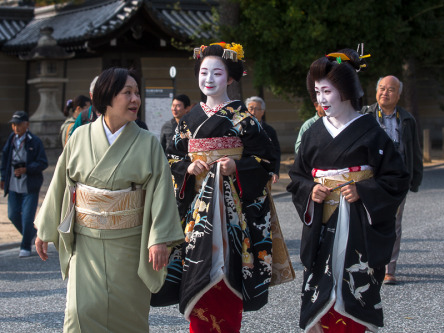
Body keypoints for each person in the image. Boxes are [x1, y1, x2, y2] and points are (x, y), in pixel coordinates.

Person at [34, 67, 185, 332]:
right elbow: (60, 182)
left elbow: (162, 190)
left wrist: (159, 237)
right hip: (86, 244)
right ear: (107, 97)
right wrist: (45, 229)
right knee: (79, 314)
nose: (135, 99)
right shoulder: (80, 137)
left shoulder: (147, 142)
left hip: (129, 244)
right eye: (127, 93)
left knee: (128, 316)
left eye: (137, 93)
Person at [287, 49, 409, 332]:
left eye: (327, 91)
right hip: (323, 225)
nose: (321, 99)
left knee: (354, 288)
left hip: (358, 226)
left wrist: (364, 191)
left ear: (347, 90)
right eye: (317, 91)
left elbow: (397, 177)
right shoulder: (313, 133)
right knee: (320, 292)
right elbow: (297, 176)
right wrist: (310, 191)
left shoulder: (372, 132)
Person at [163, 42, 276, 332]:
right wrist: (186, 168)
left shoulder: (243, 120)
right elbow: (171, 157)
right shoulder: (187, 121)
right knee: (197, 274)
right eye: (203, 73)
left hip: (232, 212)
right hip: (196, 212)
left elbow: (266, 160)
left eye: (217, 73)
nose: (209, 79)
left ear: (231, 78)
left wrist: (236, 167)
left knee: (229, 272)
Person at [361, 75, 423, 285]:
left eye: (390, 89)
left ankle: (389, 269)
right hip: (369, 177)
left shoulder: (406, 119)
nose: (385, 93)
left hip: (396, 178)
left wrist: (414, 179)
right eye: (381, 88)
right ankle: (367, 264)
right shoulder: (365, 115)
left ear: (399, 94)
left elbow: (414, 151)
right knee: (366, 219)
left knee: (394, 223)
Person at [1, 111, 48, 257]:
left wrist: (27, 169)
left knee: (27, 217)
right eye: (14, 125)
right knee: (12, 214)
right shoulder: (11, 139)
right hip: (14, 184)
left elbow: (43, 163)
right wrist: (3, 177)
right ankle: (32, 235)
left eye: (19, 124)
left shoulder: (34, 141)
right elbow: (4, 159)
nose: (16, 127)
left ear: (27, 124)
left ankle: (25, 246)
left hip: (30, 185)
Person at [245, 96, 281, 183]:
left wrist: (275, 171)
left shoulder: (269, 130)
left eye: (257, 109)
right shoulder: (241, 129)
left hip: (264, 170)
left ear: (262, 112)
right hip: (245, 169)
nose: (253, 112)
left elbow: (276, 152)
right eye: (251, 108)